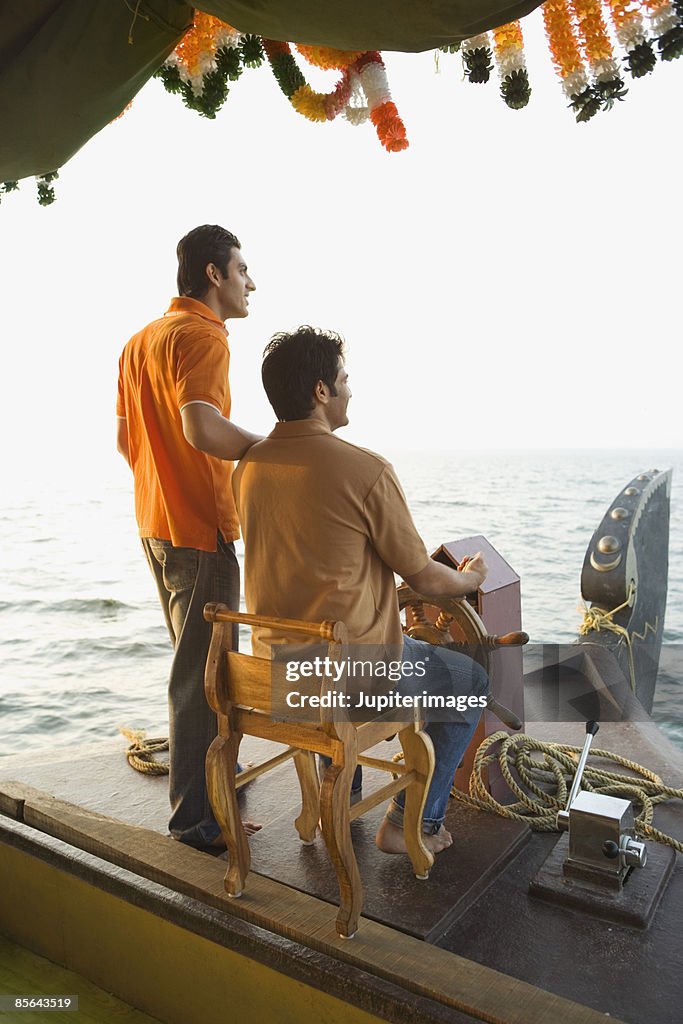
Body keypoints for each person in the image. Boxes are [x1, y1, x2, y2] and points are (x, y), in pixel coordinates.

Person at [232, 326, 489, 856]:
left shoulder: (248, 468)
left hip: (277, 679)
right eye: (345, 379)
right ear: (321, 391)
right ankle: (409, 825)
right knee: (468, 680)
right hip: (351, 682)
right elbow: (424, 578)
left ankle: (338, 799)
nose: (351, 389)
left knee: (328, 645)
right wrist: (472, 578)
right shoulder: (366, 469)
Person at [116, 224, 261, 851]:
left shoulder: (138, 341)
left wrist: (162, 481)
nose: (252, 282)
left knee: (200, 670)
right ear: (214, 274)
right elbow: (203, 427)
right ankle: (196, 821)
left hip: (156, 525)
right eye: (243, 269)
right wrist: (281, 448)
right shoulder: (203, 335)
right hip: (199, 530)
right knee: (203, 676)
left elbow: (127, 442)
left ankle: (214, 794)